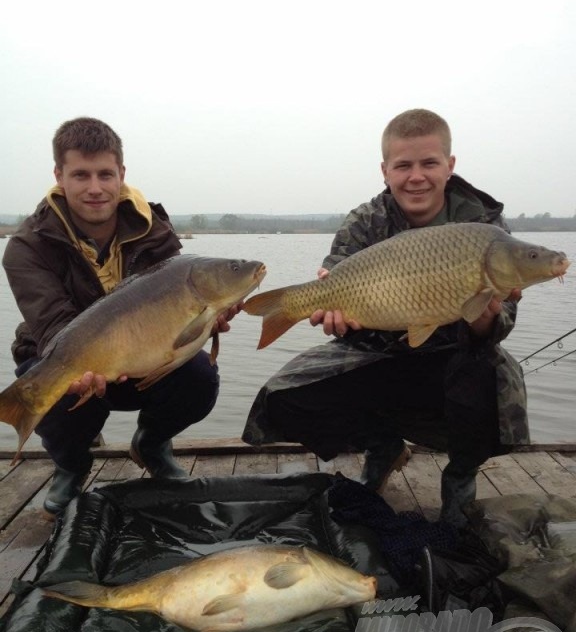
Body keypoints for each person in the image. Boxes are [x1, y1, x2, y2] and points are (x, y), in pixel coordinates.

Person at [242, 108, 529, 528]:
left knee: (497, 385)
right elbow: (334, 279)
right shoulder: (365, 221)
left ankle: (461, 476)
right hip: (374, 356)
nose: (417, 176)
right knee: (283, 399)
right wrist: (332, 313)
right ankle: (384, 447)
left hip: (455, 358)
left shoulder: (484, 226)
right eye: (404, 165)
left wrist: (482, 318)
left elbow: (501, 324)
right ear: (385, 171)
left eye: (429, 163)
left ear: (450, 166)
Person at [2, 117, 241, 518]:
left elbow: (173, 312)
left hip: (147, 359)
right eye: (81, 175)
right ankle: (72, 465)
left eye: (105, 174)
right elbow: (52, 324)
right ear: (59, 176)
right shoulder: (26, 247)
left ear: (121, 175)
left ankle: (150, 444)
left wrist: (203, 323)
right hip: (67, 357)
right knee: (50, 389)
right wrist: (86, 362)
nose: (95, 188)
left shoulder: (154, 230)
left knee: (199, 376)